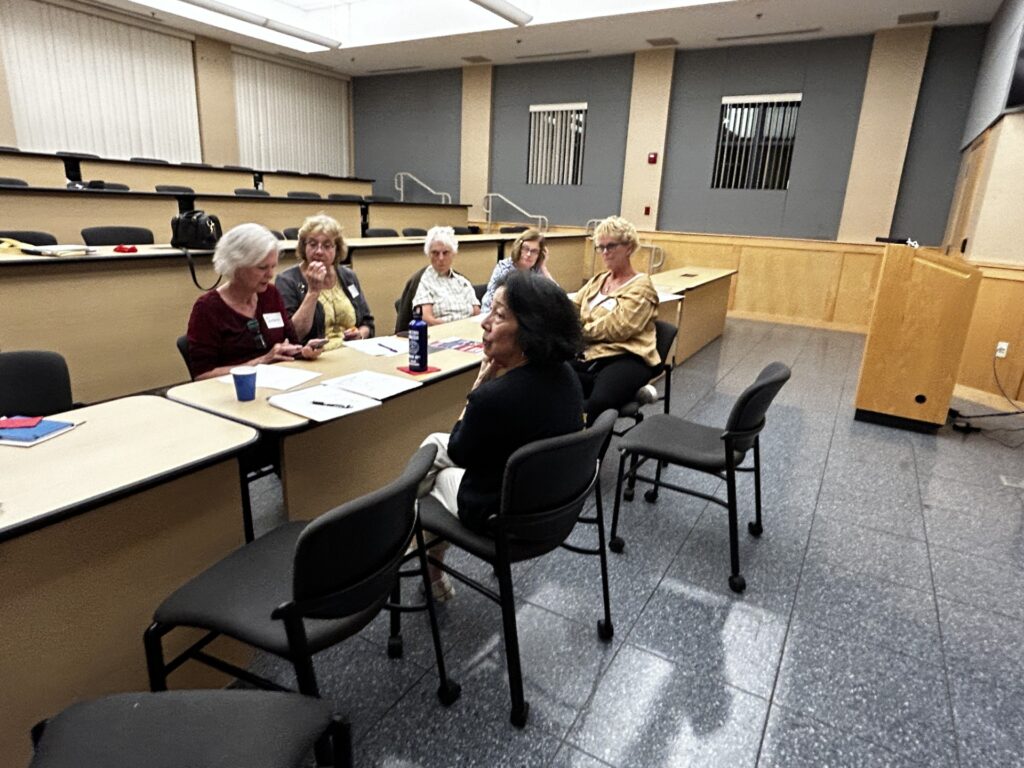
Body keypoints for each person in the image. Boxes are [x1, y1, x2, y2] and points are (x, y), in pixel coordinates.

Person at [418, 271, 585, 600]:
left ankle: (424, 564)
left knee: (426, 470)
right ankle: (423, 557)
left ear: (530, 328)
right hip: (554, 507)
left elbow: (461, 450)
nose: (485, 322)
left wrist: (478, 387)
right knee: (434, 445)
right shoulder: (567, 375)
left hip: (503, 517)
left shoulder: (493, 397)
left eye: (498, 314)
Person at [186, 223, 323, 380]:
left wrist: (301, 351)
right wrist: (261, 362)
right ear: (236, 266)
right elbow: (202, 375)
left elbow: (290, 341)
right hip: (233, 393)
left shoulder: (270, 294)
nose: (270, 274)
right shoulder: (207, 308)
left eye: (273, 266)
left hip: (278, 383)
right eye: (262, 267)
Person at [571, 216, 659, 426]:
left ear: (628, 247)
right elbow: (573, 308)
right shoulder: (598, 280)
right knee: (548, 377)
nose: (604, 252)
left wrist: (576, 331)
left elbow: (619, 327)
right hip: (591, 354)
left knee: (600, 402)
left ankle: (592, 457)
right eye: (600, 247)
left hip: (626, 355)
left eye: (610, 246)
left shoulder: (641, 286)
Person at [276, 213, 374, 351]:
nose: (319, 251)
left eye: (327, 246)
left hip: (352, 352)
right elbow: (293, 336)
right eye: (313, 244)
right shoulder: (287, 280)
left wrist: (360, 335)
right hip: (314, 358)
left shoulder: (348, 276)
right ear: (303, 246)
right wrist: (313, 292)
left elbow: (367, 322)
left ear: (337, 249)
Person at [411, 225, 480, 325]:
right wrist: (454, 328)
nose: (441, 258)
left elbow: (476, 313)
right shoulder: (424, 282)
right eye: (435, 253)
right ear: (429, 254)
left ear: (453, 254)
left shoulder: (462, 281)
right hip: (442, 335)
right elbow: (427, 320)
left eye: (445, 253)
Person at [479, 228, 554, 313]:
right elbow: (491, 301)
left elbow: (556, 296)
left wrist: (543, 267)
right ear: (519, 248)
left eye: (534, 251)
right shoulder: (505, 268)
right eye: (525, 248)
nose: (529, 254)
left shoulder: (537, 270)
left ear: (540, 254)